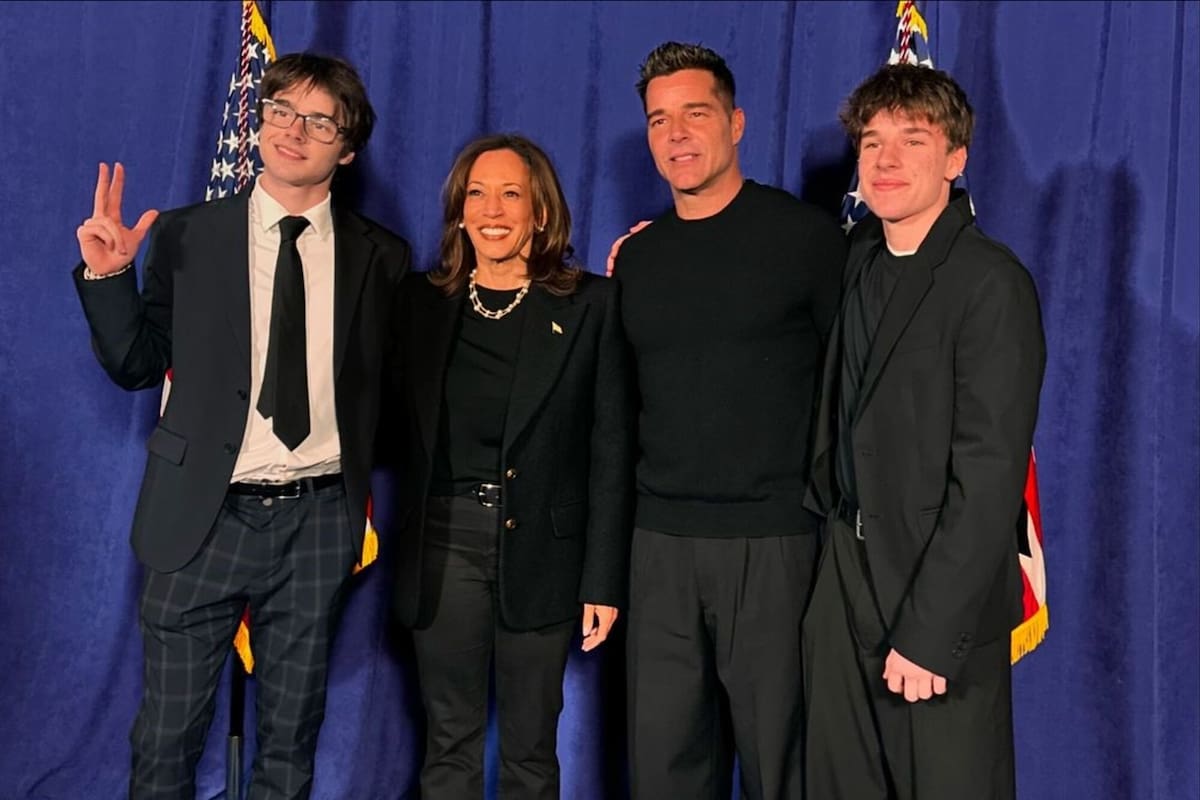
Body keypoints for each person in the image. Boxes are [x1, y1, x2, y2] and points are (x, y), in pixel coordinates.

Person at [72, 53, 410, 799]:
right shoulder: (188, 236)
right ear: (260, 122)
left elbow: (397, 385)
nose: (295, 130)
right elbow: (136, 365)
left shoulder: (381, 256)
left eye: (321, 120)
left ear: (347, 147)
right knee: (166, 735)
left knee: (291, 737)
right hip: (202, 517)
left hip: (319, 520)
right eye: (282, 110)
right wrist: (108, 277)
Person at [610, 42, 847, 799]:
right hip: (660, 551)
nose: (676, 135)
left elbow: (854, 393)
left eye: (696, 114)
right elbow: (619, 413)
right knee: (662, 770)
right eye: (658, 120)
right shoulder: (637, 261)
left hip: (775, 546)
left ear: (737, 123)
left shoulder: (807, 241)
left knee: (784, 767)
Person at [802, 63, 1046, 800]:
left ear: (956, 158)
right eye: (872, 142)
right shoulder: (854, 260)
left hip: (938, 599)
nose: (886, 160)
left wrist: (929, 632)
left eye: (912, 140)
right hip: (844, 578)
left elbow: (990, 477)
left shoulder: (990, 282)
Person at [390, 133, 634, 800]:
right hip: (444, 546)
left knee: (530, 750)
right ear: (457, 211)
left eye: (510, 194)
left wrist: (603, 579)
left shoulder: (591, 305)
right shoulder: (419, 304)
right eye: (476, 193)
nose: (491, 209)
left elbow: (611, 448)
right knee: (449, 746)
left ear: (542, 213)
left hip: (544, 553)